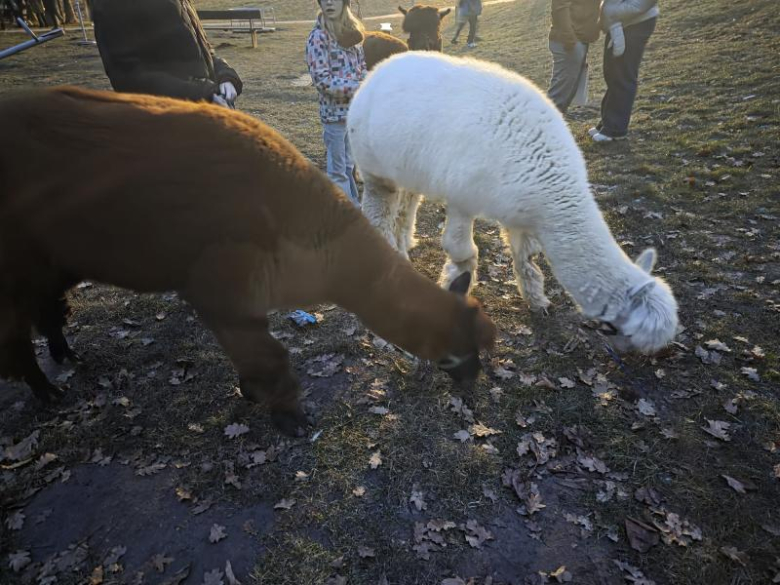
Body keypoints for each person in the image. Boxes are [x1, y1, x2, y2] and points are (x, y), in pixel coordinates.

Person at [91, 0, 242, 108]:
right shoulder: (112, 4)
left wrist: (226, 77)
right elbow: (128, 78)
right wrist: (203, 94)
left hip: (206, 115)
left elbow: (203, 50)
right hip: (167, 125)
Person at [305, 0, 366, 205]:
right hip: (334, 116)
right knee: (338, 171)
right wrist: (359, 87)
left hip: (354, 114)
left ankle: (353, 206)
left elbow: (362, 66)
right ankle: (345, 216)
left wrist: (370, 80)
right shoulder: (318, 38)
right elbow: (323, 80)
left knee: (349, 166)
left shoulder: (353, 33)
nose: (330, 2)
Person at [589, 0, 658, 142]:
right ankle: (607, 123)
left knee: (623, 74)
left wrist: (612, 12)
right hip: (618, 23)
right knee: (612, 73)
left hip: (635, 23)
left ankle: (615, 130)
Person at [546, 0, 600, 114]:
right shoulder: (571, 41)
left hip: (578, 38)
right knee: (559, 95)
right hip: (570, 41)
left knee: (566, 93)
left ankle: (550, 125)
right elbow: (559, 7)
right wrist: (570, 40)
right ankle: (541, 126)